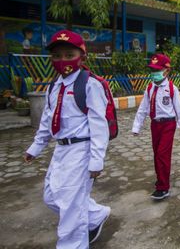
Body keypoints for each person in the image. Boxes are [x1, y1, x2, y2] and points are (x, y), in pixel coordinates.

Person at [24, 30, 111, 248]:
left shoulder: (91, 85)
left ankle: (72, 244)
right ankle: (96, 215)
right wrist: (36, 147)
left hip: (81, 149)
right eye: (57, 56)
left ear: (82, 56)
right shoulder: (54, 86)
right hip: (61, 150)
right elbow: (47, 119)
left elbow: (99, 126)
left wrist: (96, 160)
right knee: (51, 196)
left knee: (71, 207)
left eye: (68, 54)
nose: (62, 61)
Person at [132, 54, 180, 200]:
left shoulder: (171, 88)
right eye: (152, 70)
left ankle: (163, 188)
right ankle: (160, 179)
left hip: (168, 125)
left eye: (157, 70)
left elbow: (178, 107)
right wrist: (136, 127)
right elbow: (143, 108)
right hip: (155, 125)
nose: (154, 73)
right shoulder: (150, 87)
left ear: (166, 71)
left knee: (163, 154)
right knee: (157, 154)